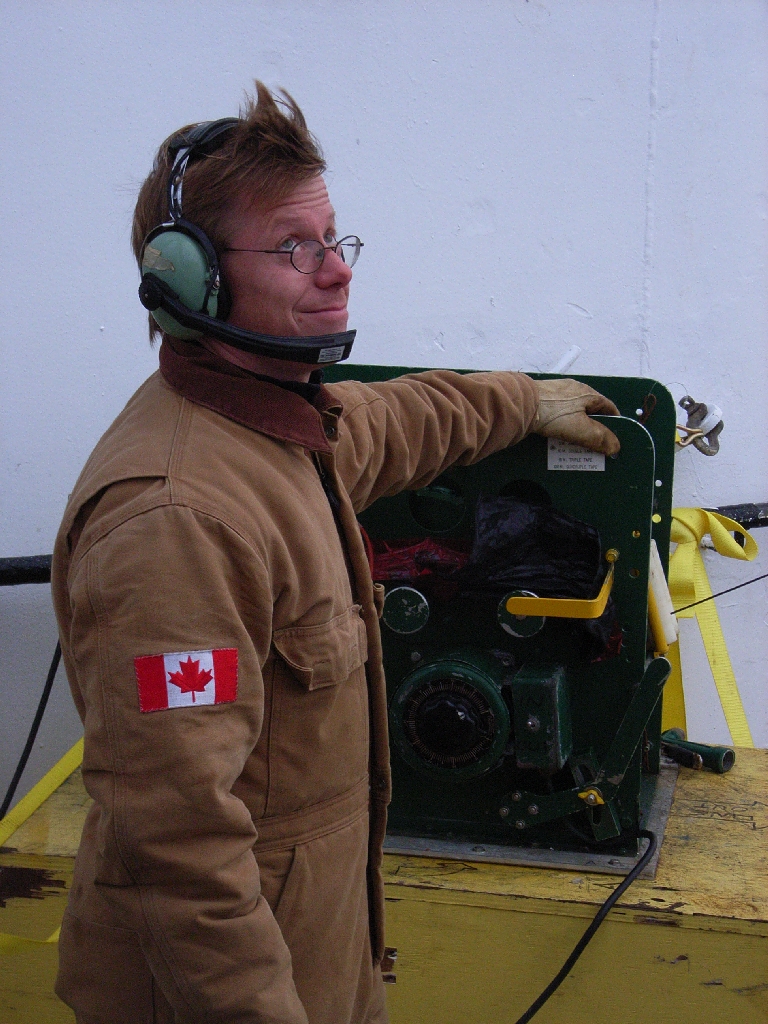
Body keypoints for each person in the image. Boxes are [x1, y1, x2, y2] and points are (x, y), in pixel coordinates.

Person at [51, 81, 620, 1024]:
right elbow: (179, 850)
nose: (336, 273)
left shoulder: (275, 433)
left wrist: (523, 401)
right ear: (190, 282)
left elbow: (391, 421)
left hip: (319, 959)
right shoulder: (175, 521)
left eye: (334, 239)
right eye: (293, 248)